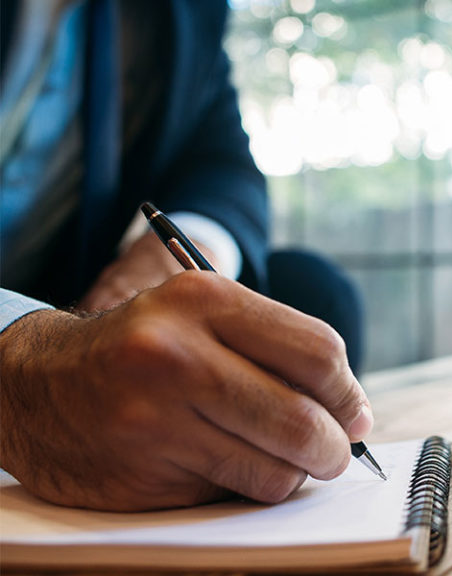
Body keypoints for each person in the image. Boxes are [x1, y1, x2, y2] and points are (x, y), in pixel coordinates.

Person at [0, 0, 369, 512]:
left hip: (71, 289)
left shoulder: (192, 12)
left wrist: (164, 263)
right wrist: (20, 365)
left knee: (310, 292)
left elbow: (223, 162)